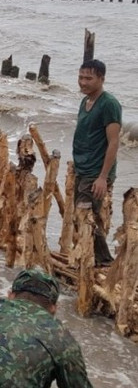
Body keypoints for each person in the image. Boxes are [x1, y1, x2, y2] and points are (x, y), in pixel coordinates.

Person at [72, 59, 122, 266]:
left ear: (101, 79)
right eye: (81, 77)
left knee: (87, 216)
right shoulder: (85, 101)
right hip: (82, 168)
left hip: (95, 171)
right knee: (83, 215)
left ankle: (104, 261)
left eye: (89, 78)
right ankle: (91, 258)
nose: (83, 82)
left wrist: (103, 177)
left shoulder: (108, 104)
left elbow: (113, 142)